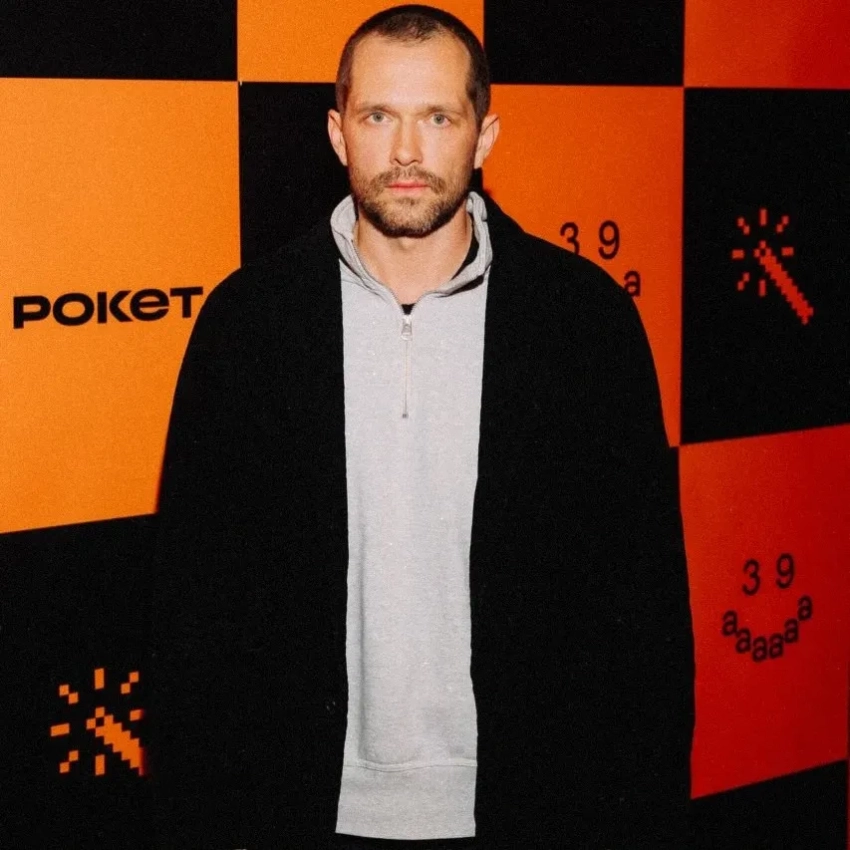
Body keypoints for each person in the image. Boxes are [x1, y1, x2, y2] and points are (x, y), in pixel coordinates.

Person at [149, 5, 695, 849]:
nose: (406, 151)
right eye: (378, 116)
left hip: (538, 806)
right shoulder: (247, 324)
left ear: (484, 136)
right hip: (294, 810)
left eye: (437, 117)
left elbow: (646, 607)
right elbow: (191, 609)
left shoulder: (585, 325)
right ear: (338, 134)